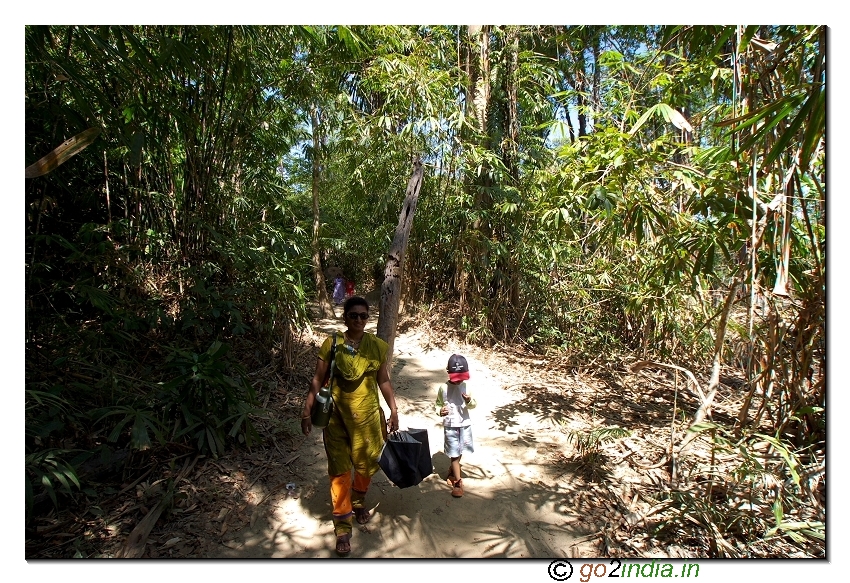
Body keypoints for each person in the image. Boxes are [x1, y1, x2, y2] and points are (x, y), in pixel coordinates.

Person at [301, 296, 400, 555]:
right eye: (353, 315)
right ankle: (343, 524)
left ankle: (358, 501)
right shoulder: (332, 344)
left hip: (367, 420)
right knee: (340, 470)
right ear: (345, 317)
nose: (358, 320)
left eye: (363, 316)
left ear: (369, 318)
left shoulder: (377, 347)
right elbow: (317, 378)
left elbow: (384, 381)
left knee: (366, 465)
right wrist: (306, 409)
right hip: (336, 419)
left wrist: (394, 409)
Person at [435, 354, 476, 498]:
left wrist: (469, 400)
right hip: (451, 425)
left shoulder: (466, 387)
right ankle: (458, 482)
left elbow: (474, 405)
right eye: (456, 378)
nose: (459, 382)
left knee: (461, 449)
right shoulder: (443, 388)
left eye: (462, 378)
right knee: (454, 454)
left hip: (464, 424)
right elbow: (438, 404)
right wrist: (440, 411)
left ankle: (453, 471)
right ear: (448, 373)